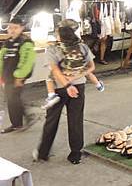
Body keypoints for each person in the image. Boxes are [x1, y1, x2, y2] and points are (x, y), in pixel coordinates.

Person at [35, 19, 96, 164]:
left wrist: (67, 86)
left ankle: (43, 153)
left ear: (60, 33)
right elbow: (91, 67)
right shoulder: (83, 47)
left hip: (58, 88)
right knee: (76, 120)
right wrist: (77, 77)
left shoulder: (52, 49)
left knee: (51, 120)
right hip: (78, 88)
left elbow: (55, 71)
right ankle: (75, 154)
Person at [0, 17, 35, 134]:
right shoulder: (8, 42)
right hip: (7, 76)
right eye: (10, 28)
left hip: (17, 77)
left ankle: (17, 124)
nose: (12, 30)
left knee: (13, 99)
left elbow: (28, 61)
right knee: (13, 99)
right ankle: (24, 119)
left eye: (15, 28)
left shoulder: (26, 42)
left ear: (22, 28)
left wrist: (20, 76)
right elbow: (1, 58)